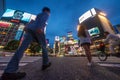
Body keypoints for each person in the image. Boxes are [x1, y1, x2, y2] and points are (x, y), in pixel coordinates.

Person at [1, 7, 51, 80]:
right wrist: (39, 28)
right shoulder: (45, 14)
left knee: (21, 49)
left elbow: (31, 22)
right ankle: (45, 63)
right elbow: (43, 20)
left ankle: (9, 71)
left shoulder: (38, 15)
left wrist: (27, 27)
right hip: (37, 30)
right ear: (47, 11)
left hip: (30, 30)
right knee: (44, 47)